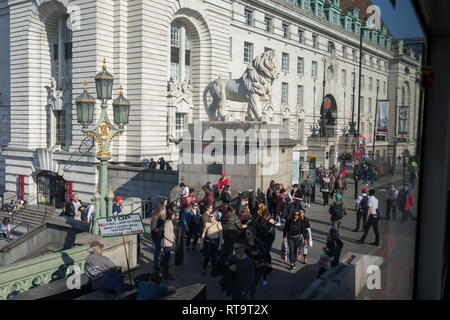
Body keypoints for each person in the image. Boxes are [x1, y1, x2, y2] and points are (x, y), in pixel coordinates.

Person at [245, 227, 268, 299]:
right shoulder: (244, 242)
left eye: (248, 233)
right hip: (246, 265)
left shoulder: (258, 242)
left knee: (254, 282)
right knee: (247, 282)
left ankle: (252, 297)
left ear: (253, 234)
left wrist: (257, 253)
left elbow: (265, 253)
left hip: (256, 265)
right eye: (246, 233)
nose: (246, 235)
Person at [200, 211, 223, 276]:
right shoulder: (207, 224)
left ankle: (213, 270)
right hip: (207, 242)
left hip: (215, 242)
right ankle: (204, 270)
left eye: (211, 216)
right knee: (206, 257)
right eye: (209, 216)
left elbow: (221, 235)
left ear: (215, 217)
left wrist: (220, 245)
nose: (210, 217)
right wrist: (201, 243)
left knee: (214, 258)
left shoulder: (218, 223)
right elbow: (203, 233)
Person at [150, 205, 166, 271]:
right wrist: (161, 229)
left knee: (164, 249)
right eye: (164, 210)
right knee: (157, 251)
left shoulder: (161, 217)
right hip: (157, 237)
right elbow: (153, 229)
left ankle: (162, 261)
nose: (165, 211)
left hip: (161, 236)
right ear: (160, 211)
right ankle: (155, 265)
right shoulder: (155, 218)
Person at [161, 211, 176, 280]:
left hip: (168, 243)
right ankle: (165, 274)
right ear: (171, 215)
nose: (174, 216)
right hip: (167, 243)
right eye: (173, 215)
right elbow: (166, 234)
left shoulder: (169, 222)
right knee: (166, 260)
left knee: (167, 259)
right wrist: (172, 240)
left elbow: (171, 232)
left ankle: (166, 273)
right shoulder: (168, 223)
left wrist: (174, 237)